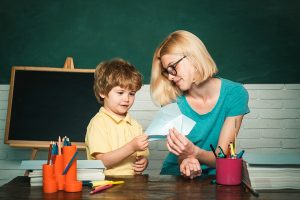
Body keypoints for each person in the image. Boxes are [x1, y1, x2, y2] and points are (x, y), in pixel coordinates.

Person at [150, 30, 249, 179]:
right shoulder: (172, 100)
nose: (170, 76)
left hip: (217, 177)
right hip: (176, 177)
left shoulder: (235, 94)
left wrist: (195, 152)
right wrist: (187, 160)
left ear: (193, 58)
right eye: (166, 71)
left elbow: (222, 157)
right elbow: (181, 153)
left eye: (172, 67)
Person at [85, 58, 149, 175]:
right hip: (106, 186)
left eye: (132, 93)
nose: (126, 99)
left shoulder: (135, 125)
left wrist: (144, 162)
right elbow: (101, 161)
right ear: (103, 92)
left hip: (132, 188)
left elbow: (140, 156)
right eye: (120, 93)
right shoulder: (98, 123)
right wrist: (131, 147)